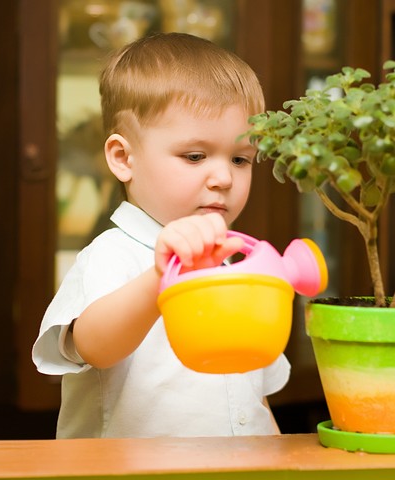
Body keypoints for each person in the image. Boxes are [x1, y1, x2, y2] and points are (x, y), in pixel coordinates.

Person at [32, 33, 290, 438]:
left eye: (241, 159)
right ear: (123, 158)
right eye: (194, 156)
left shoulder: (235, 266)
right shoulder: (112, 255)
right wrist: (162, 276)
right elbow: (95, 346)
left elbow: (252, 396)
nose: (223, 177)